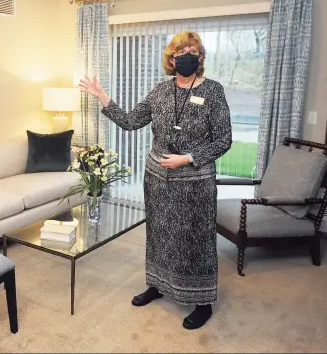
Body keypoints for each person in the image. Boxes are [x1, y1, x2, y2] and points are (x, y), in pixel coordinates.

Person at [78, 30, 232, 330]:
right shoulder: (160, 91)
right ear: (171, 59)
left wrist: (187, 158)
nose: (185, 56)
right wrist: (102, 96)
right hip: (158, 180)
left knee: (194, 239)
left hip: (195, 182)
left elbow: (224, 140)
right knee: (160, 235)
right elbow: (131, 121)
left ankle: (202, 302)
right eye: (179, 51)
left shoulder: (213, 91)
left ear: (199, 58)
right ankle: (158, 285)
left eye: (191, 51)